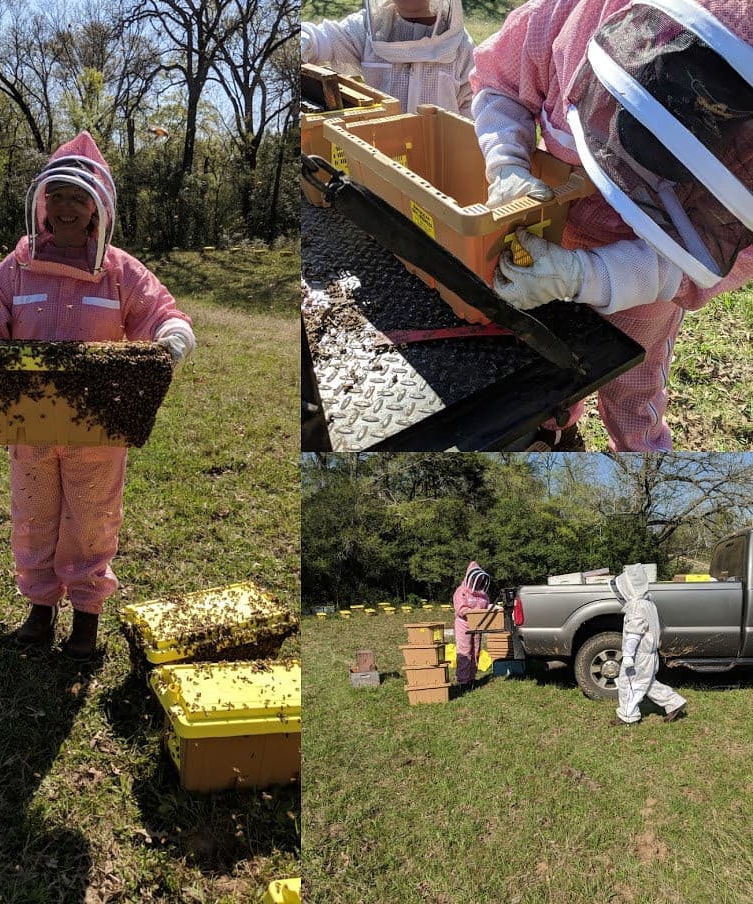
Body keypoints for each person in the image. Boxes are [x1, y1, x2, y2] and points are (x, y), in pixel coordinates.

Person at [0, 131, 195, 659]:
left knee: (92, 519)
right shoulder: (16, 268)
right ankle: (40, 609)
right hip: (29, 423)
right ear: (41, 204)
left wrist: (172, 334)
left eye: (78, 198)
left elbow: (160, 312)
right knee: (33, 516)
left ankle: (86, 617)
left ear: (97, 207)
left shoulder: (120, 269)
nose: (66, 208)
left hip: (98, 429)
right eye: (57, 196)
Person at [470, 0, 753, 451]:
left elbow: (716, 262)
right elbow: (499, 83)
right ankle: (557, 425)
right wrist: (505, 163)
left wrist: (585, 275)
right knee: (551, 360)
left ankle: (643, 458)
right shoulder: (561, 17)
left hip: (646, 282)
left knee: (633, 385)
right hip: (554, 233)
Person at [301, 0, 475, 116]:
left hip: (441, 153)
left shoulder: (461, 45)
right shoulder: (367, 28)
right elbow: (320, 39)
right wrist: (302, 42)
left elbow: (472, 108)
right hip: (381, 150)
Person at [610, 564, 687, 725]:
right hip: (650, 654)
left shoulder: (636, 607)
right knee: (647, 683)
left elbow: (634, 633)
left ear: (629, 588)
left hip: (638, 655)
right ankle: (674, 703)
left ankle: (628, 716)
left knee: (629, 684)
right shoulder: (648, 603)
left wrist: (629, 655)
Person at [452, 561, 491, 688]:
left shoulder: (483, 594)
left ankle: (471, 679)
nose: (477, 581)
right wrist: (473, 612)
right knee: (464, 652)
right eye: (475, 578)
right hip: (464, 624)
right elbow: (460, 609)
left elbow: (486, 607)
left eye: (479, 579)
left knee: (476, 651)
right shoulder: (461, 591)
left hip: (478, 625)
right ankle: (463, 681)